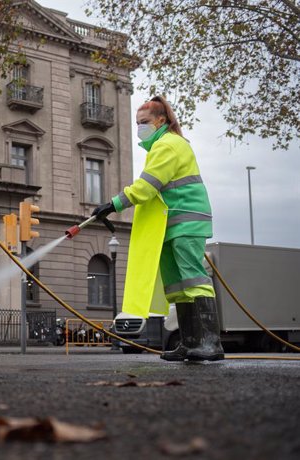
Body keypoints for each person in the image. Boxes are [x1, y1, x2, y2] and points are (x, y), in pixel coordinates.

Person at [92, 96, 224, 361]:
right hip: (171, 224)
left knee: (195, 280)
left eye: (144, 122)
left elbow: (146, 186)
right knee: (179, 286)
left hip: (186, 221)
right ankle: (189, 343)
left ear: (161, 120)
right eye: (137, 123)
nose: (140, 127)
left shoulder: (169, 145)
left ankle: (211, 344)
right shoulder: (160, 147)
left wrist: (112, 204)